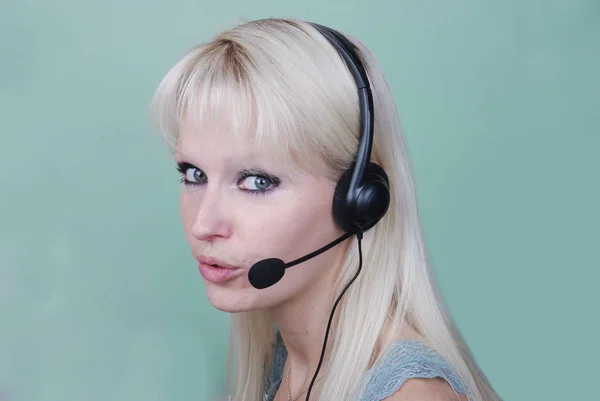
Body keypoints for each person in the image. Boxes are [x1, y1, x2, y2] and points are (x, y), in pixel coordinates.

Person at [150, 17, 501, 401]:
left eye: (257, 181)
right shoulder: (286, 361)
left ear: (360, 200)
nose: (204, 225)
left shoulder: (409, 395)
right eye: (194, 174)